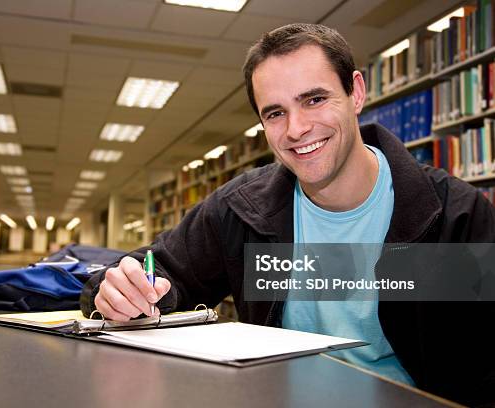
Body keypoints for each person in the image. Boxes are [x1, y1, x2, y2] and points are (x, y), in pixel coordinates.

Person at [81, 23, 495, 405]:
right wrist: (122, 288)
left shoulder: (453, 218)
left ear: (355, 93)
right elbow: (157, 271)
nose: (296, 129)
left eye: (314, 100)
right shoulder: (241, 209)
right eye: (275, 113)